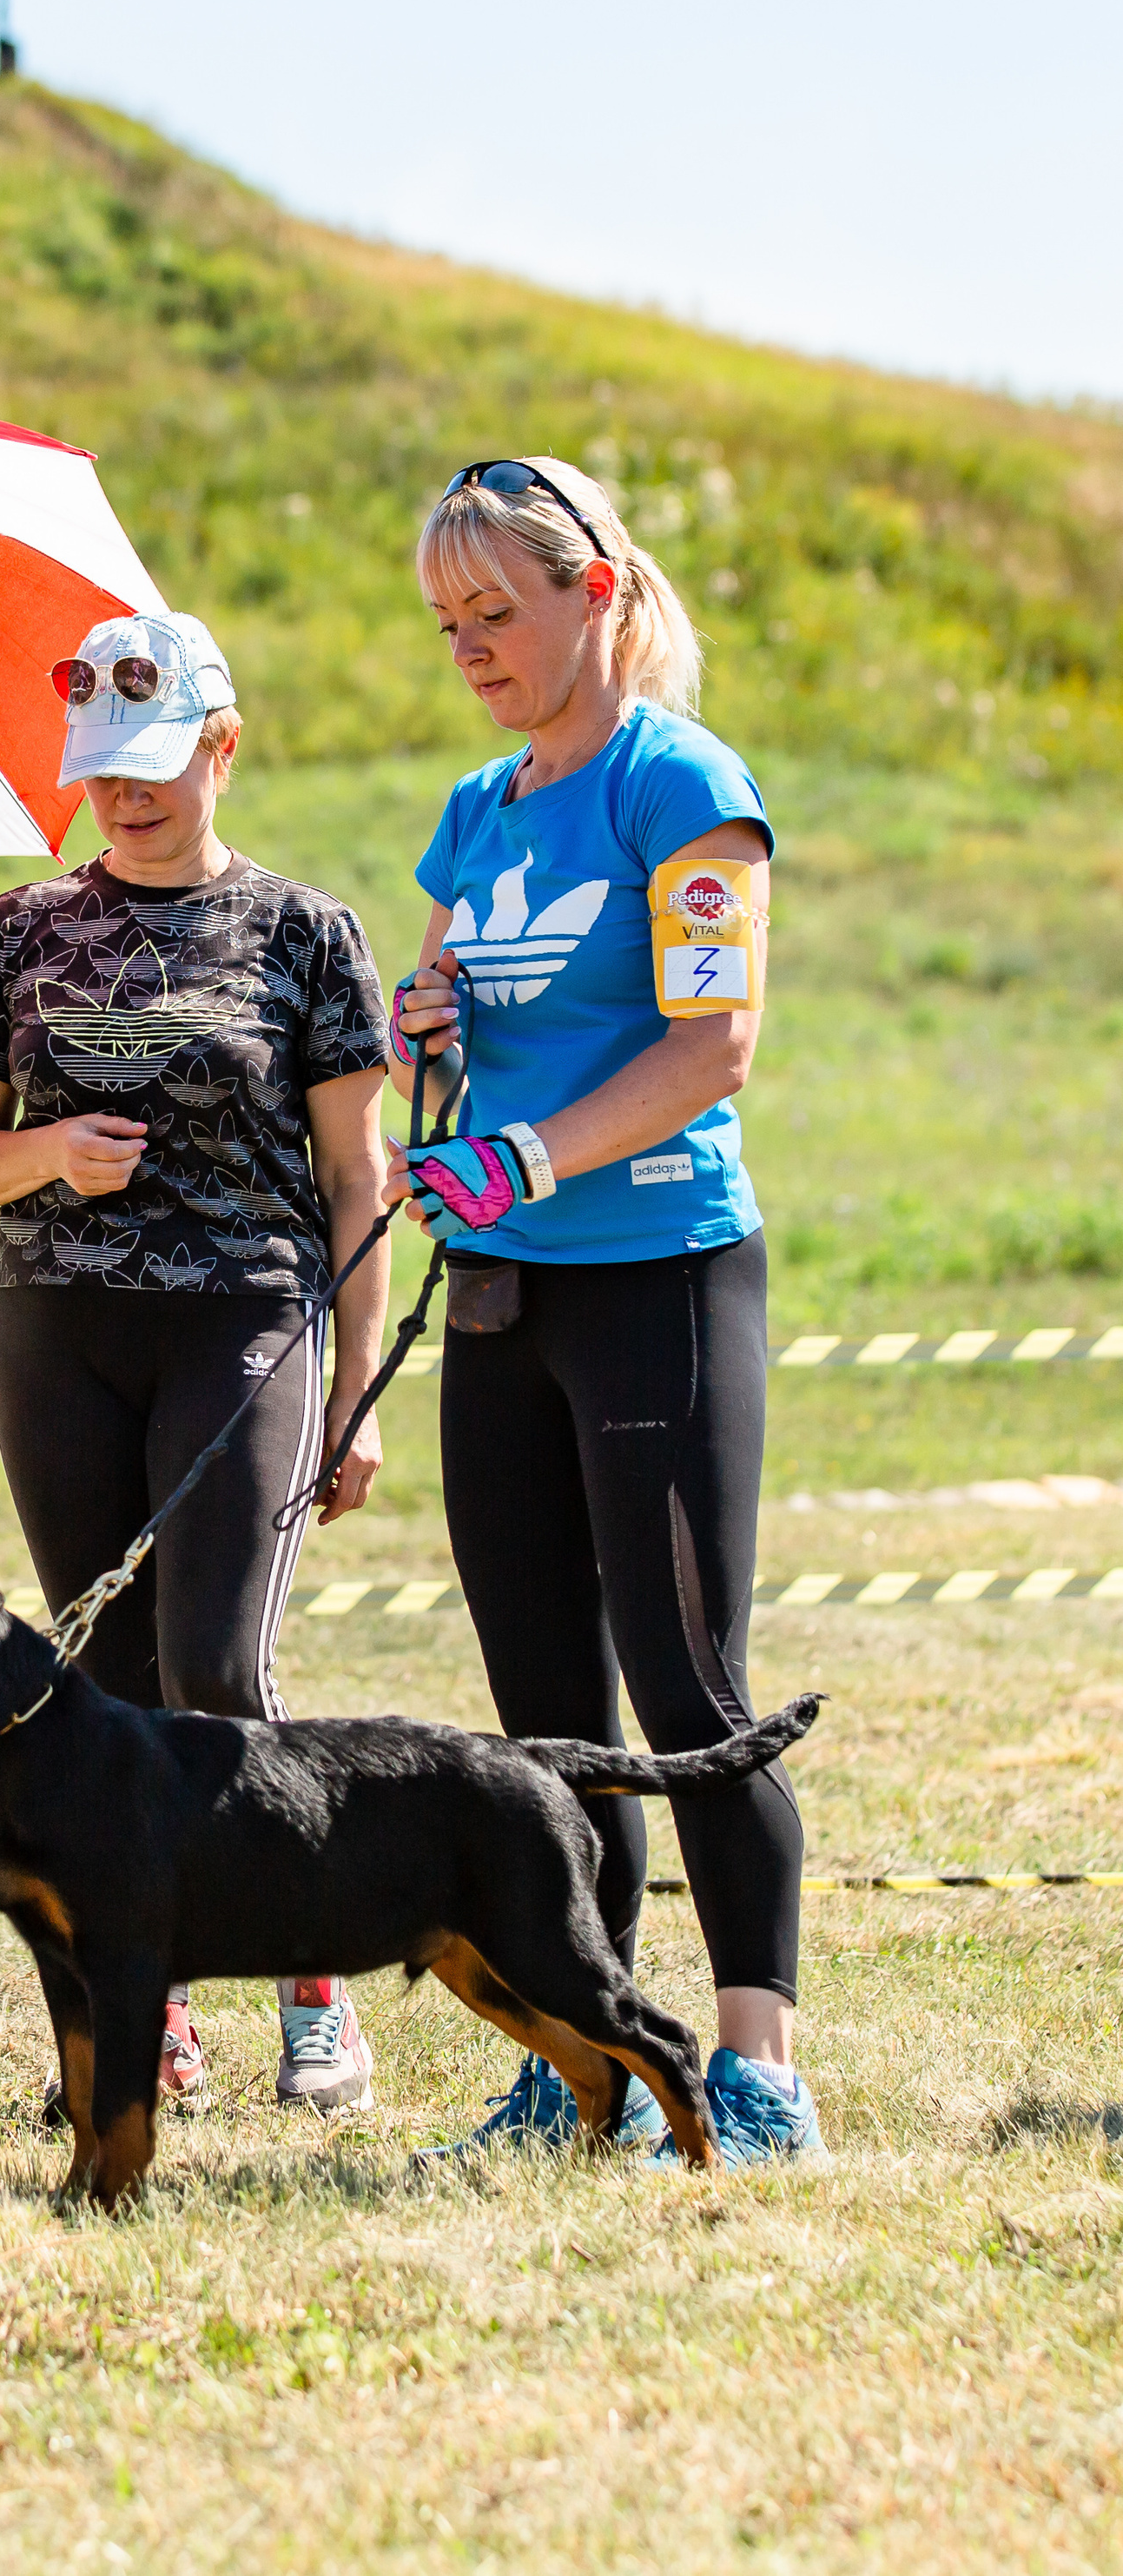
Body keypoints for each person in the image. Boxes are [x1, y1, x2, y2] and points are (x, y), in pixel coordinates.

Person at [386, 458, 820, 2168]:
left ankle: (756, 2067)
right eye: (445, 623)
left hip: (656, 1274)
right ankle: (586, 2038)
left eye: (496, 613)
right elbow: (444, 1010)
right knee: (539, 1703)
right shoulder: (475, 810)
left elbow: (713, 1044)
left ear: (598, 596)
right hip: (505, 1296)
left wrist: (532, 1154)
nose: (470, 647)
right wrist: (429, 1027)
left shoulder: (681, 784)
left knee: (683, 1682)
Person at [0, 611, 393, 2113]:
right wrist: (49, 1151)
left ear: (222, 745)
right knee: (101, 1687)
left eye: (156, 767)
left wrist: (359, 1384)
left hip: (247, 1322)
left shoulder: (309, 933)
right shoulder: (17, 930)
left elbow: (355, 1178)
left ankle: (317, 1989)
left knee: (213, 1668)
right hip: (57, 1330)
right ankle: (145, 2015)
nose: (125, 798)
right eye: (101, 774)